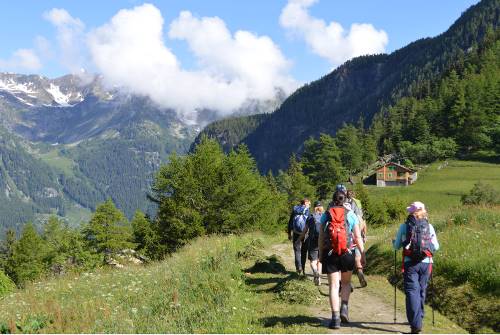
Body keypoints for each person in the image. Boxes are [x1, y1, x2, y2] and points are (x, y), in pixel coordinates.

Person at [319, 191, 365, 329]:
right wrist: (362, 253)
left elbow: (321, 237)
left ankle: (335, 318)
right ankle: (344, 307)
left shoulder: (326, 215)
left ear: (332, 200)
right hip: (348, 253)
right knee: (346, 283)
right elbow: (357, 237)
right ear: (346, 200)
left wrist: (321, 254)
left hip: (331, 253)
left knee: (333, 286)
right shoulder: (351, 215)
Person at [393, 201, 439, 334]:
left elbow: (396, 246)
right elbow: (436, 247)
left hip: (410, 263)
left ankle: (415, 324)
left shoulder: (405, 226)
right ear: (423, 211)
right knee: (421, 290)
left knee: (412, 292)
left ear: (412, 212)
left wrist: (398, 243)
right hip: (427, 262)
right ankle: (420, 317)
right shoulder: (429, 226)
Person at [346, 189, 367, 288]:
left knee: (347, 262)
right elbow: (363, 222)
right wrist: (364, 235)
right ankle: (360, 274)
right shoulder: (357, 204)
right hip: (357, 235)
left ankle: (347, 282)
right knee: (357, 258)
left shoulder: (343, 204)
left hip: (347, 238)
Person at [300, 200, 324, 285]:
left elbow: (305, 230)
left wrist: (300, 239)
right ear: (321, 207)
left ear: (314, 207)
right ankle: (319, 280)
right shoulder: (324, 216)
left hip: (312, 240)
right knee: (319, 261)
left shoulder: (310, 217)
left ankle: (315, 272)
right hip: (322, 241)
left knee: (313, 261)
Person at [288, 198, 310, 275]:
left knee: (297, 250)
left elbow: (290, 222)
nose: (309, 205)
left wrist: (289, 233)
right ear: (306, 203)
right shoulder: (308, 210)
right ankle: (303, 269)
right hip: (305, 233)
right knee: (304, 251)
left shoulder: (295, 209)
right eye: (309, 203)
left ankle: (298, 267)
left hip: (296, 232)